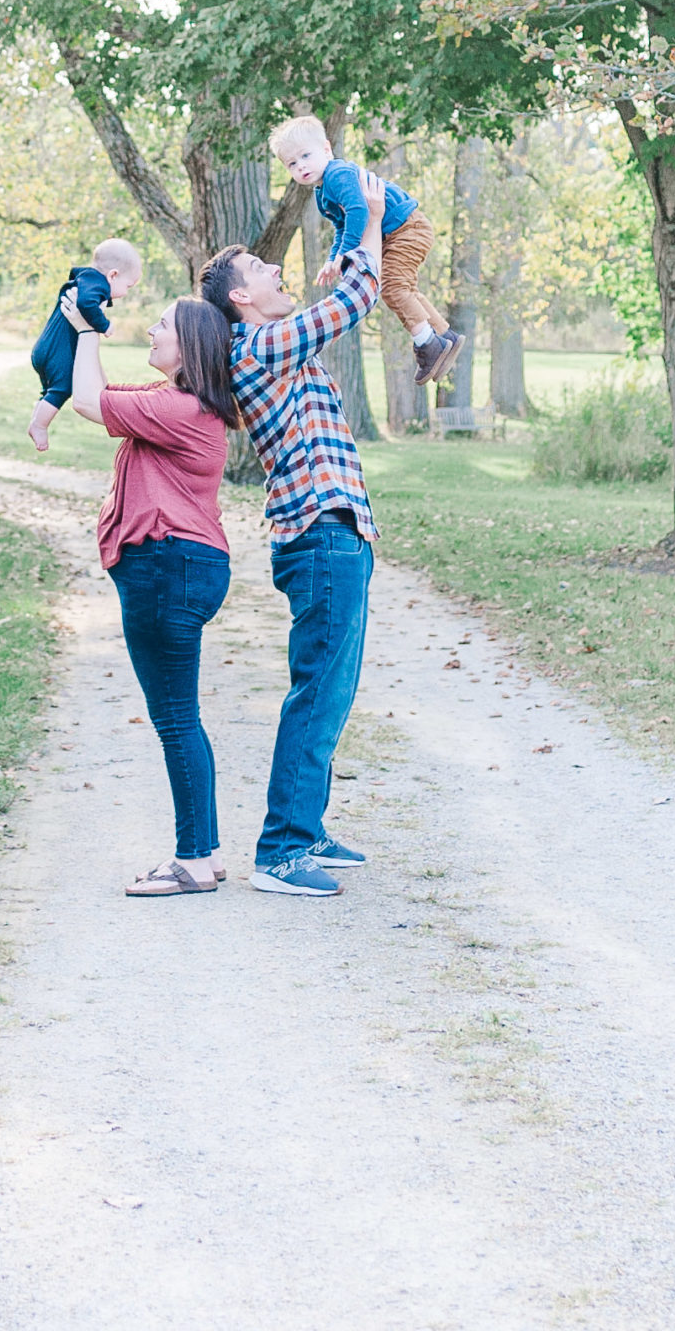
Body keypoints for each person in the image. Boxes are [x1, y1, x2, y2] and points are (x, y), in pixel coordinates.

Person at [202, 210, 383, 898]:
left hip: (339, 531)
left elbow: (326, 307)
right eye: (260, 269)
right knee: (317, 690)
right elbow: (353, 304)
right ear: (240, 298)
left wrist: (341, 261)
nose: (276, 270)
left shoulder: (276, 348)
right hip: (317, 535)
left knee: (333, 692)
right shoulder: (255, 344)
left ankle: (304, 830)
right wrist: (364, 220)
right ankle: (280, 852)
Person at [60, 284, 240, 899]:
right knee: (183, 719)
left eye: (162, 325)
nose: (152, 332)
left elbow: (86, 402)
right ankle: (206, 853)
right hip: (183, 564)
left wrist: (87, 331)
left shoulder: (181, 410)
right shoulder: (174, 400)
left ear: (188, 345)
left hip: (167, 565)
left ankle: (190, 860)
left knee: (175, 721)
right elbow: (98, 393)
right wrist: (84, 331)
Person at [268, 114, 463, 387]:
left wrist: (345, 255)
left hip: (407, 228)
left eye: (305, 156)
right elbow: (343, 225)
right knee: (403, 287)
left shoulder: (337, 174)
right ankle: (444, 336)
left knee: (393, 287)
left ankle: (428, 344)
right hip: (396, 233)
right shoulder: (322, 193)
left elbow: (359, 212)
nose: (300, 166)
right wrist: (333, 259)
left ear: (326, 149)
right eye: (292, 163)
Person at [28, 237, 143, 453]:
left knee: (50, 390)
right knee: (63, 388)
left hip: (46, 348)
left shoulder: (85, 280)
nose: (127, 293)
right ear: (113, 275)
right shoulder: (96, 285)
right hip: (56, 352)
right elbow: (85, 304)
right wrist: (103, 325)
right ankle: (39, 425)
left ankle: (38, 416)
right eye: (128, 286)